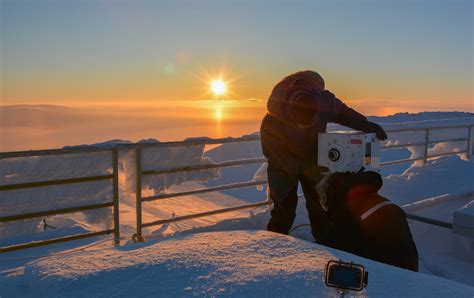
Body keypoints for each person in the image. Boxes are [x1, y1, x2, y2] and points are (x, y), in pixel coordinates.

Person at [260, 70, 387, 243]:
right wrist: (296, 167)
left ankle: (325, 248)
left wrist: (367, 126)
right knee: (283, 211)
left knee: (320, 208)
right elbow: (272, 151)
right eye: (299, 123)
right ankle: (271, 248)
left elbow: (344, 114)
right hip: (283, 167)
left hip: (312, 162)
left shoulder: (324, 101)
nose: (303, 127)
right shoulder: (275, 113)